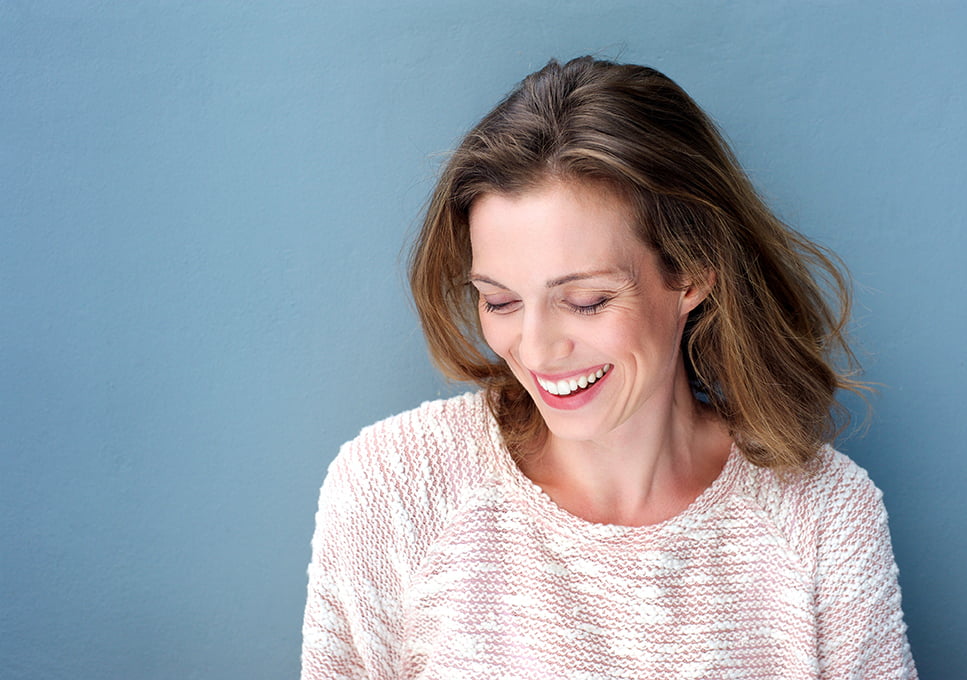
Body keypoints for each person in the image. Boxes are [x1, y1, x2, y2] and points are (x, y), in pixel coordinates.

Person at [301, 56, 916, 679]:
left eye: (586, 301)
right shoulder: (396, 489)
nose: (536, 351)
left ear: (693, 274)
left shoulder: (822, 517)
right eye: (500, 301)